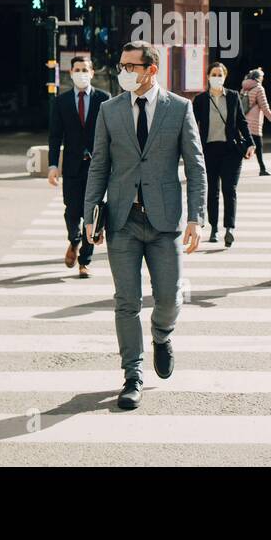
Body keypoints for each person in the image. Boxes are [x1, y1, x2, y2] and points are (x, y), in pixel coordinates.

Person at [85, 40, 206, 411]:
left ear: (151, 69)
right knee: (126, 301)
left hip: (165, 221)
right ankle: (132, 375)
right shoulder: (109, 110)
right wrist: (90, 213)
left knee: (169, 297)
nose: (124, 71)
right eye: (121, 65)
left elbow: (196, 165)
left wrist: (196, 218)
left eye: (131, 66)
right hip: (123, 218)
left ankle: (162, 334)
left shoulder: (179, 108)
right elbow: (99, 164)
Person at [47, 56, 110, 278]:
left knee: (93, 212)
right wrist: (53, 165)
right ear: (70, 73)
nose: (81, 73)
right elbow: (55, 137)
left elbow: (112, 135)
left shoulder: (105, 99)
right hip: (73, 166)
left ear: (92, 73)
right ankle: (74, 240)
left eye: (85, 69)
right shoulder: (61, 102)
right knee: (72, 210)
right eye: (77, 69)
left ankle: (85, 260)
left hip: (98, 166)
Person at [192, 63, 255, 247]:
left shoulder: (233, 96)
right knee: (212, 191)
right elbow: (192, 125)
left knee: (229, 189)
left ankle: (229, 228)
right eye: (214, 74)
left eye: (220, 74)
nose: (217, 77)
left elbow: (242, 122)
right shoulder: (201, 100)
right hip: (209, 151)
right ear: (208, 76)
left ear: (225, 77)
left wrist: (250, 143)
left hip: (231, 151)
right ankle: (214, 228)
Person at [241, 68, 271, 176]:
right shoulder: (259, 88)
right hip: (255, 123)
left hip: (245, 121)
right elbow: (264, 106)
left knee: (246, 145)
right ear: (258, 78)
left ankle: (262, 168)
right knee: (258, 146)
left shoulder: (244, 88)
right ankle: (262, 169)